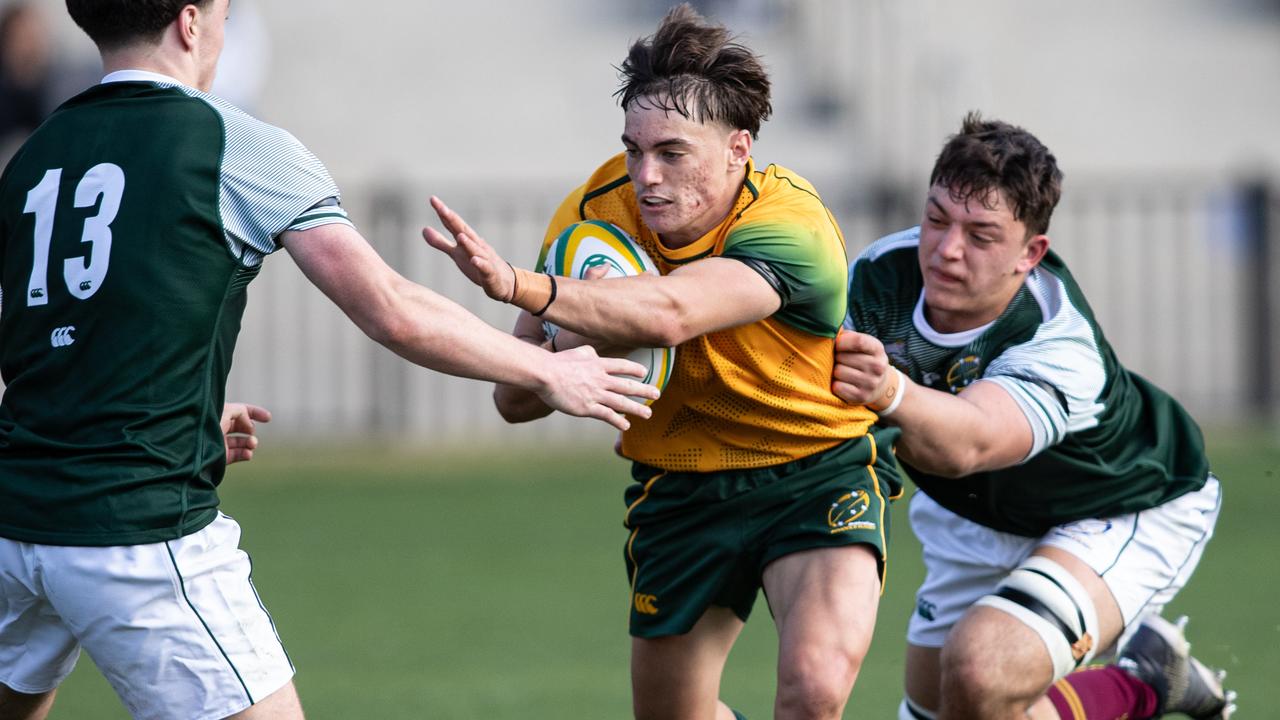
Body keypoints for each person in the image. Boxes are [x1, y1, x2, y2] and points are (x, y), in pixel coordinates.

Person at [0, 1, 658, 718]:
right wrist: (548, 369)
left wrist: (174, 414)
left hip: (15, 521)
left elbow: (52, 338)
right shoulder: (235, 145)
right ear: (192, 23)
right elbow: (389, 307)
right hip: (137, 531)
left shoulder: (35, 155)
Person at [423, 6, 899, 719]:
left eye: (672, 153)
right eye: (633, 149)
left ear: (739, 149)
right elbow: (513, 398)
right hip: (681, 488)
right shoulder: (594, 214)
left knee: (813, 690)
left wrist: (517, 284)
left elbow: (672, 314)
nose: (646, 176)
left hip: (814, 468)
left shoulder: (791, 226)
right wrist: (568, 346)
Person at [832, 113, 1234, 720]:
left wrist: (888, 392)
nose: (946, 250)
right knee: (945, 709)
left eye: (982, 235)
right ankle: (1152, 670)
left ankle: (1139, 685)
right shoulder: (879, 274)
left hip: (1122, 503)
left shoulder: (1057, 342)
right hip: (974, 514)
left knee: (980, 669)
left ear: (1031, 253)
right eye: (936, 219)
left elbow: (970, 442)